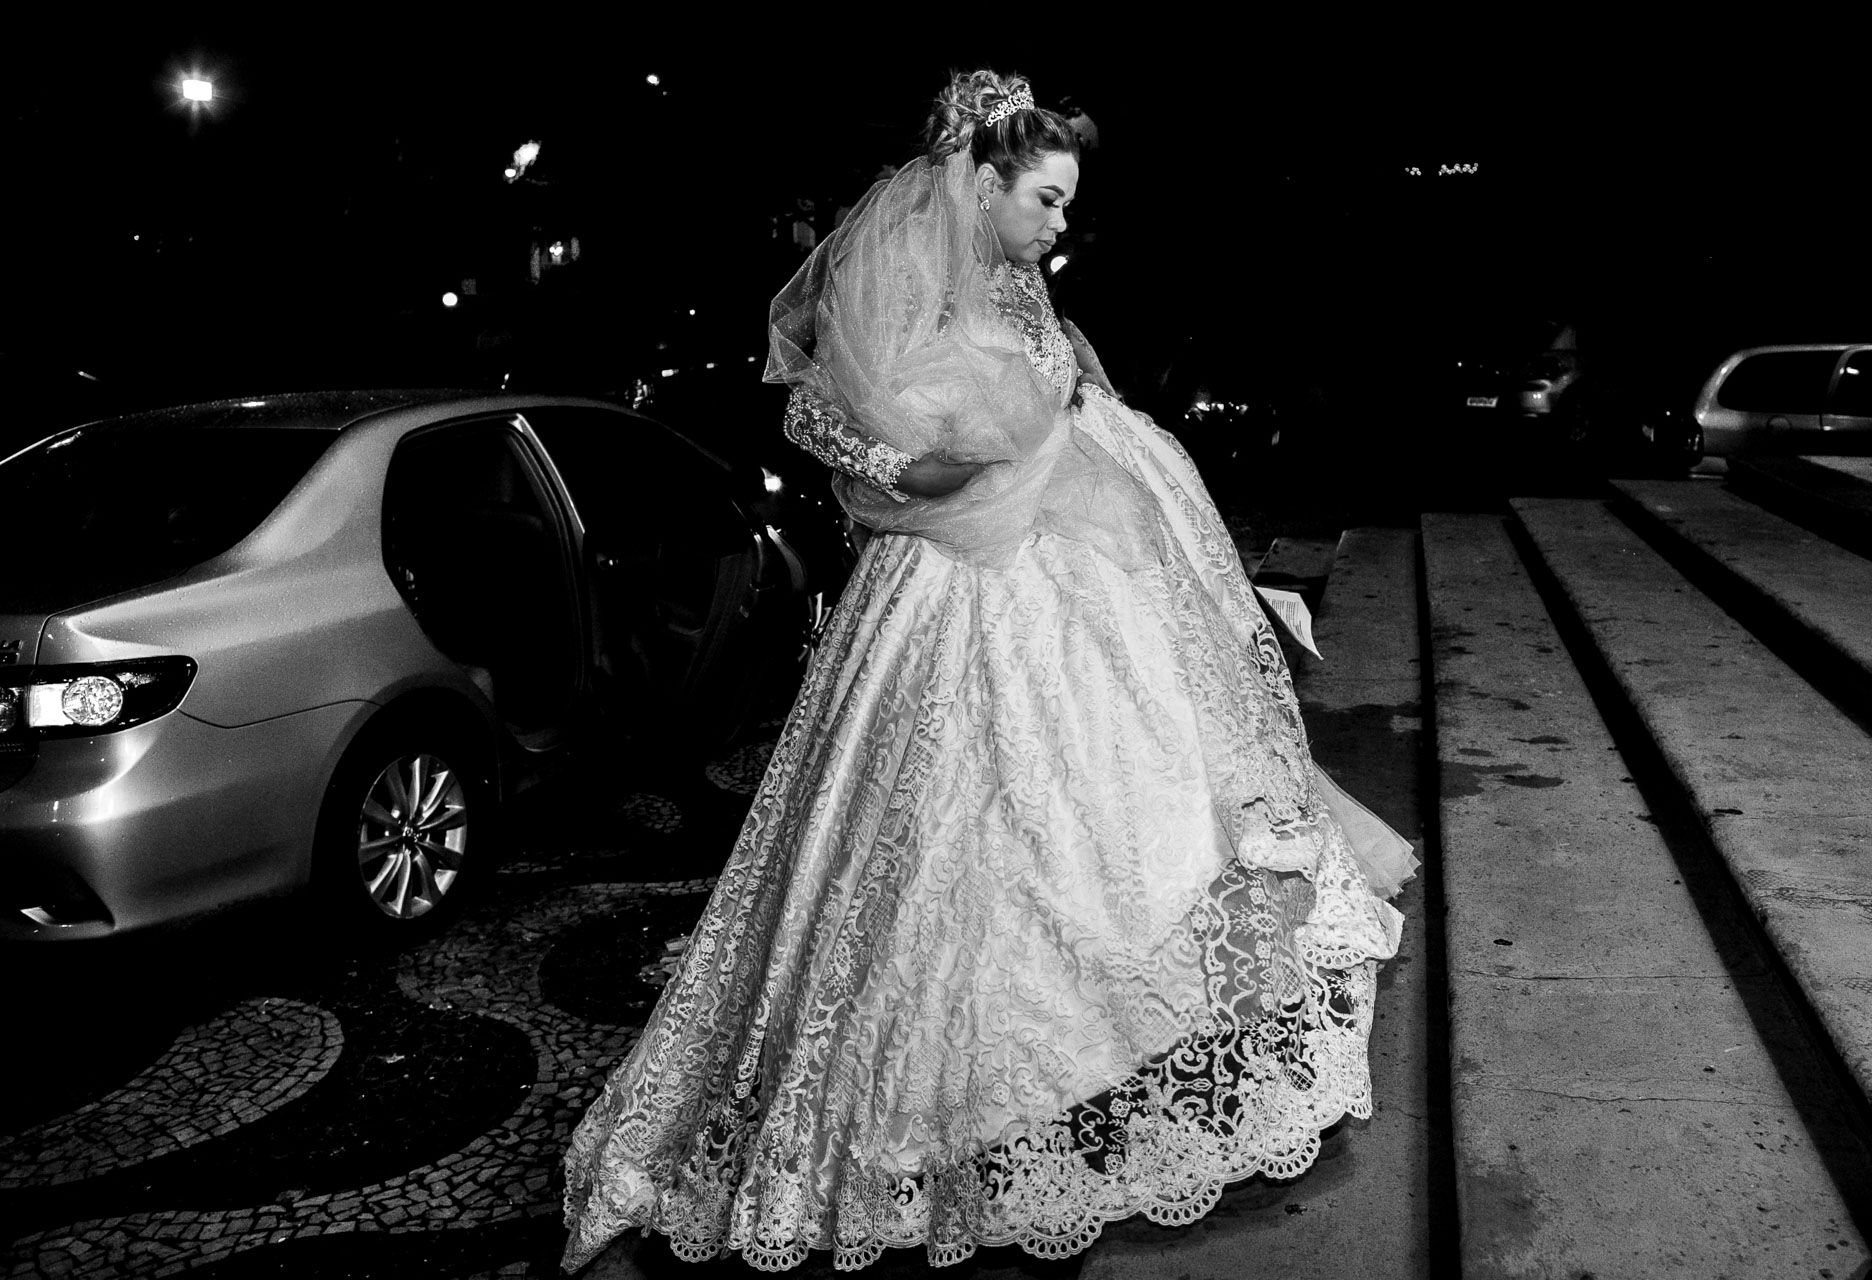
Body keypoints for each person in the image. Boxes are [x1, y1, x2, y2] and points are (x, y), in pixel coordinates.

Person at [560, 69, 1416, 1274]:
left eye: (1068, 204)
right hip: (957, 579)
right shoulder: (906, 279)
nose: (1061, 226)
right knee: (954, 826)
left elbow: (1065, 383)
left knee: (1116, 802)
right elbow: (820, 410)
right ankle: (950, 1100)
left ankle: (1091, 1046)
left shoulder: (1020, 284)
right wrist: (911, 472)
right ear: (983, 184)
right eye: (1046, 200)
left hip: (1076, 570)